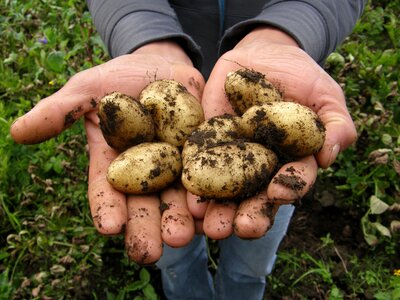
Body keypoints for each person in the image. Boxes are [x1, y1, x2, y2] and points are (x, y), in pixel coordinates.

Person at [10, 1, 366, 299]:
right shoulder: (173, 130)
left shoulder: (256, 125)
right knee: (173, 250)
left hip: (275, 115)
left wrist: (288, 31)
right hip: (168, 68)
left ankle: (242, 287)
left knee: (255, 245)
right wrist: (147, 39)